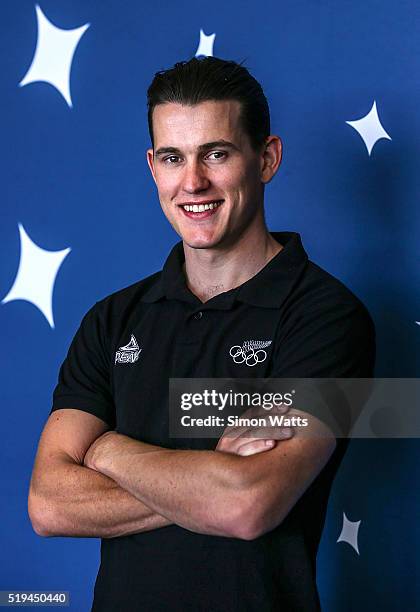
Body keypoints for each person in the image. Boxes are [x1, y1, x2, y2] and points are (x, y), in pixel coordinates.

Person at [28, 57, 375, 611]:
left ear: (267, 158)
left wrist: (108, 449)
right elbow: (48, 504)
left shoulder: (327, 316)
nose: (193, 183)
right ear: (152, 167)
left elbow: (248, 505)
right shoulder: (112, 319)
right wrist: (210, 478)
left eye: (217, 153)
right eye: (172, 157)